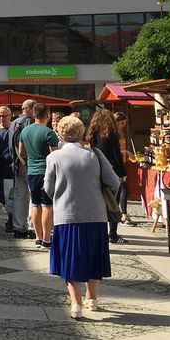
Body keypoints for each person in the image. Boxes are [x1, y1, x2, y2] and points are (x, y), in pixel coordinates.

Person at [45, 115, 121, 320]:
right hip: (95, 215)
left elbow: (48, 188)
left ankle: (76, 304)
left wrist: (61, 197)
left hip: (67, 216)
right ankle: (92, 298)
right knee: (93, 256)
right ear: (81, 133)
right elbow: (114, 181)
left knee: (71, 260)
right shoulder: (94, 154)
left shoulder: (54, 158)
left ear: (60, 133)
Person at [85, 108, 128, 244]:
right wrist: (122, 173)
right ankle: (113, 234)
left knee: (99, 202)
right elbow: (117, 156)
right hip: (111, 169)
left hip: (97, 168)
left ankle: (101, 232)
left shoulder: (93, 134)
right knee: (113, 203)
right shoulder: (111, 134)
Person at [21, 103, 60, 250]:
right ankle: (46, 239)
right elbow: (55, 155)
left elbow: (21, 151)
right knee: (47, 205)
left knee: (35, 204)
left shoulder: (25, 131)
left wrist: (29, 161)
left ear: (33, 114)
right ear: (48, 115)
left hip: (31, 171)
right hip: (46, 172)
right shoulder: (49, 133)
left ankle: (37, 237)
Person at [8, 100, 36, 238]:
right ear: (31, 109)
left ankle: (18, 227)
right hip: (28, 163)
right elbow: (29, 143)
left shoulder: (13, 123)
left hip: (16, 164)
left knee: (20, 196)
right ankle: (32, 227)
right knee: (31, 195)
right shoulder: (29, 122)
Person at [113, 112, 137, 226]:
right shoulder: (113, 133)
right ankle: (123, 215)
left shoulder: (119, 132)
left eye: (125, 123)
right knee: (123, 190)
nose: (123, 125)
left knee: (122, 190)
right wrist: (126, 152)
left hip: (121, 162)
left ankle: (121, 215)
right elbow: (114, 151)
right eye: (121, 122)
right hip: (116, 165)